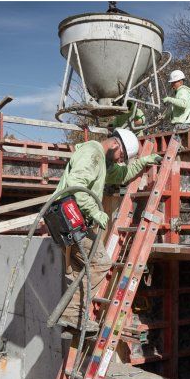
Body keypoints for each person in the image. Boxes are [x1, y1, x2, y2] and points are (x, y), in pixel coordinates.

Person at [50, 128, 161, 333]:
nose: (120, 160)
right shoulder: (92, 153)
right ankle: (73, 314)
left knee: (81, 270)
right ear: (115, 144)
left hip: (67, 219)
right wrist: (95, 211)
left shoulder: (102, 161)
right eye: (122, 156)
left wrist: (143, 162)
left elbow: (121, 175)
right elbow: (76, 185)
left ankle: (71, 319)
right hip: (69, 216)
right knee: (100, 263)